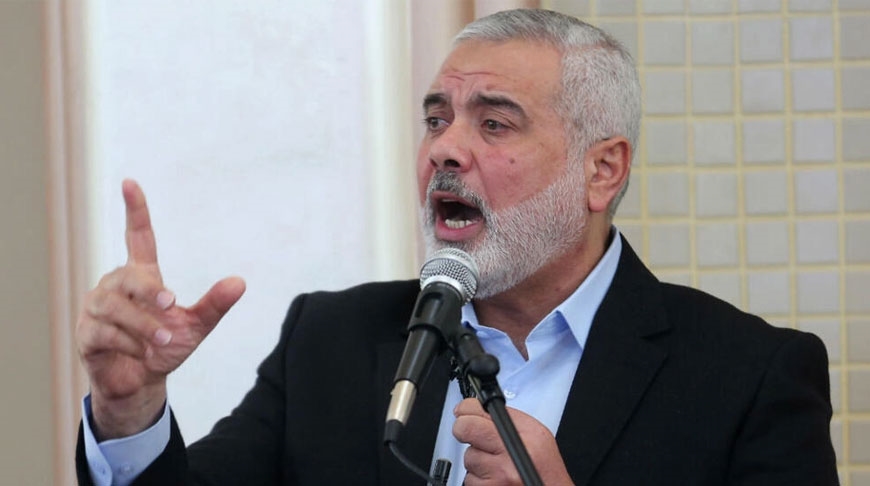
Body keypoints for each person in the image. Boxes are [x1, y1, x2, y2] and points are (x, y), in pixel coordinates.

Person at [75, 8, 838, 486]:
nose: (446, 148)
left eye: (494, 123)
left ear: (602, 170)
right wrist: (128, 410)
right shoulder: (330, 342)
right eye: (437, 119)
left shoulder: (747, 378)